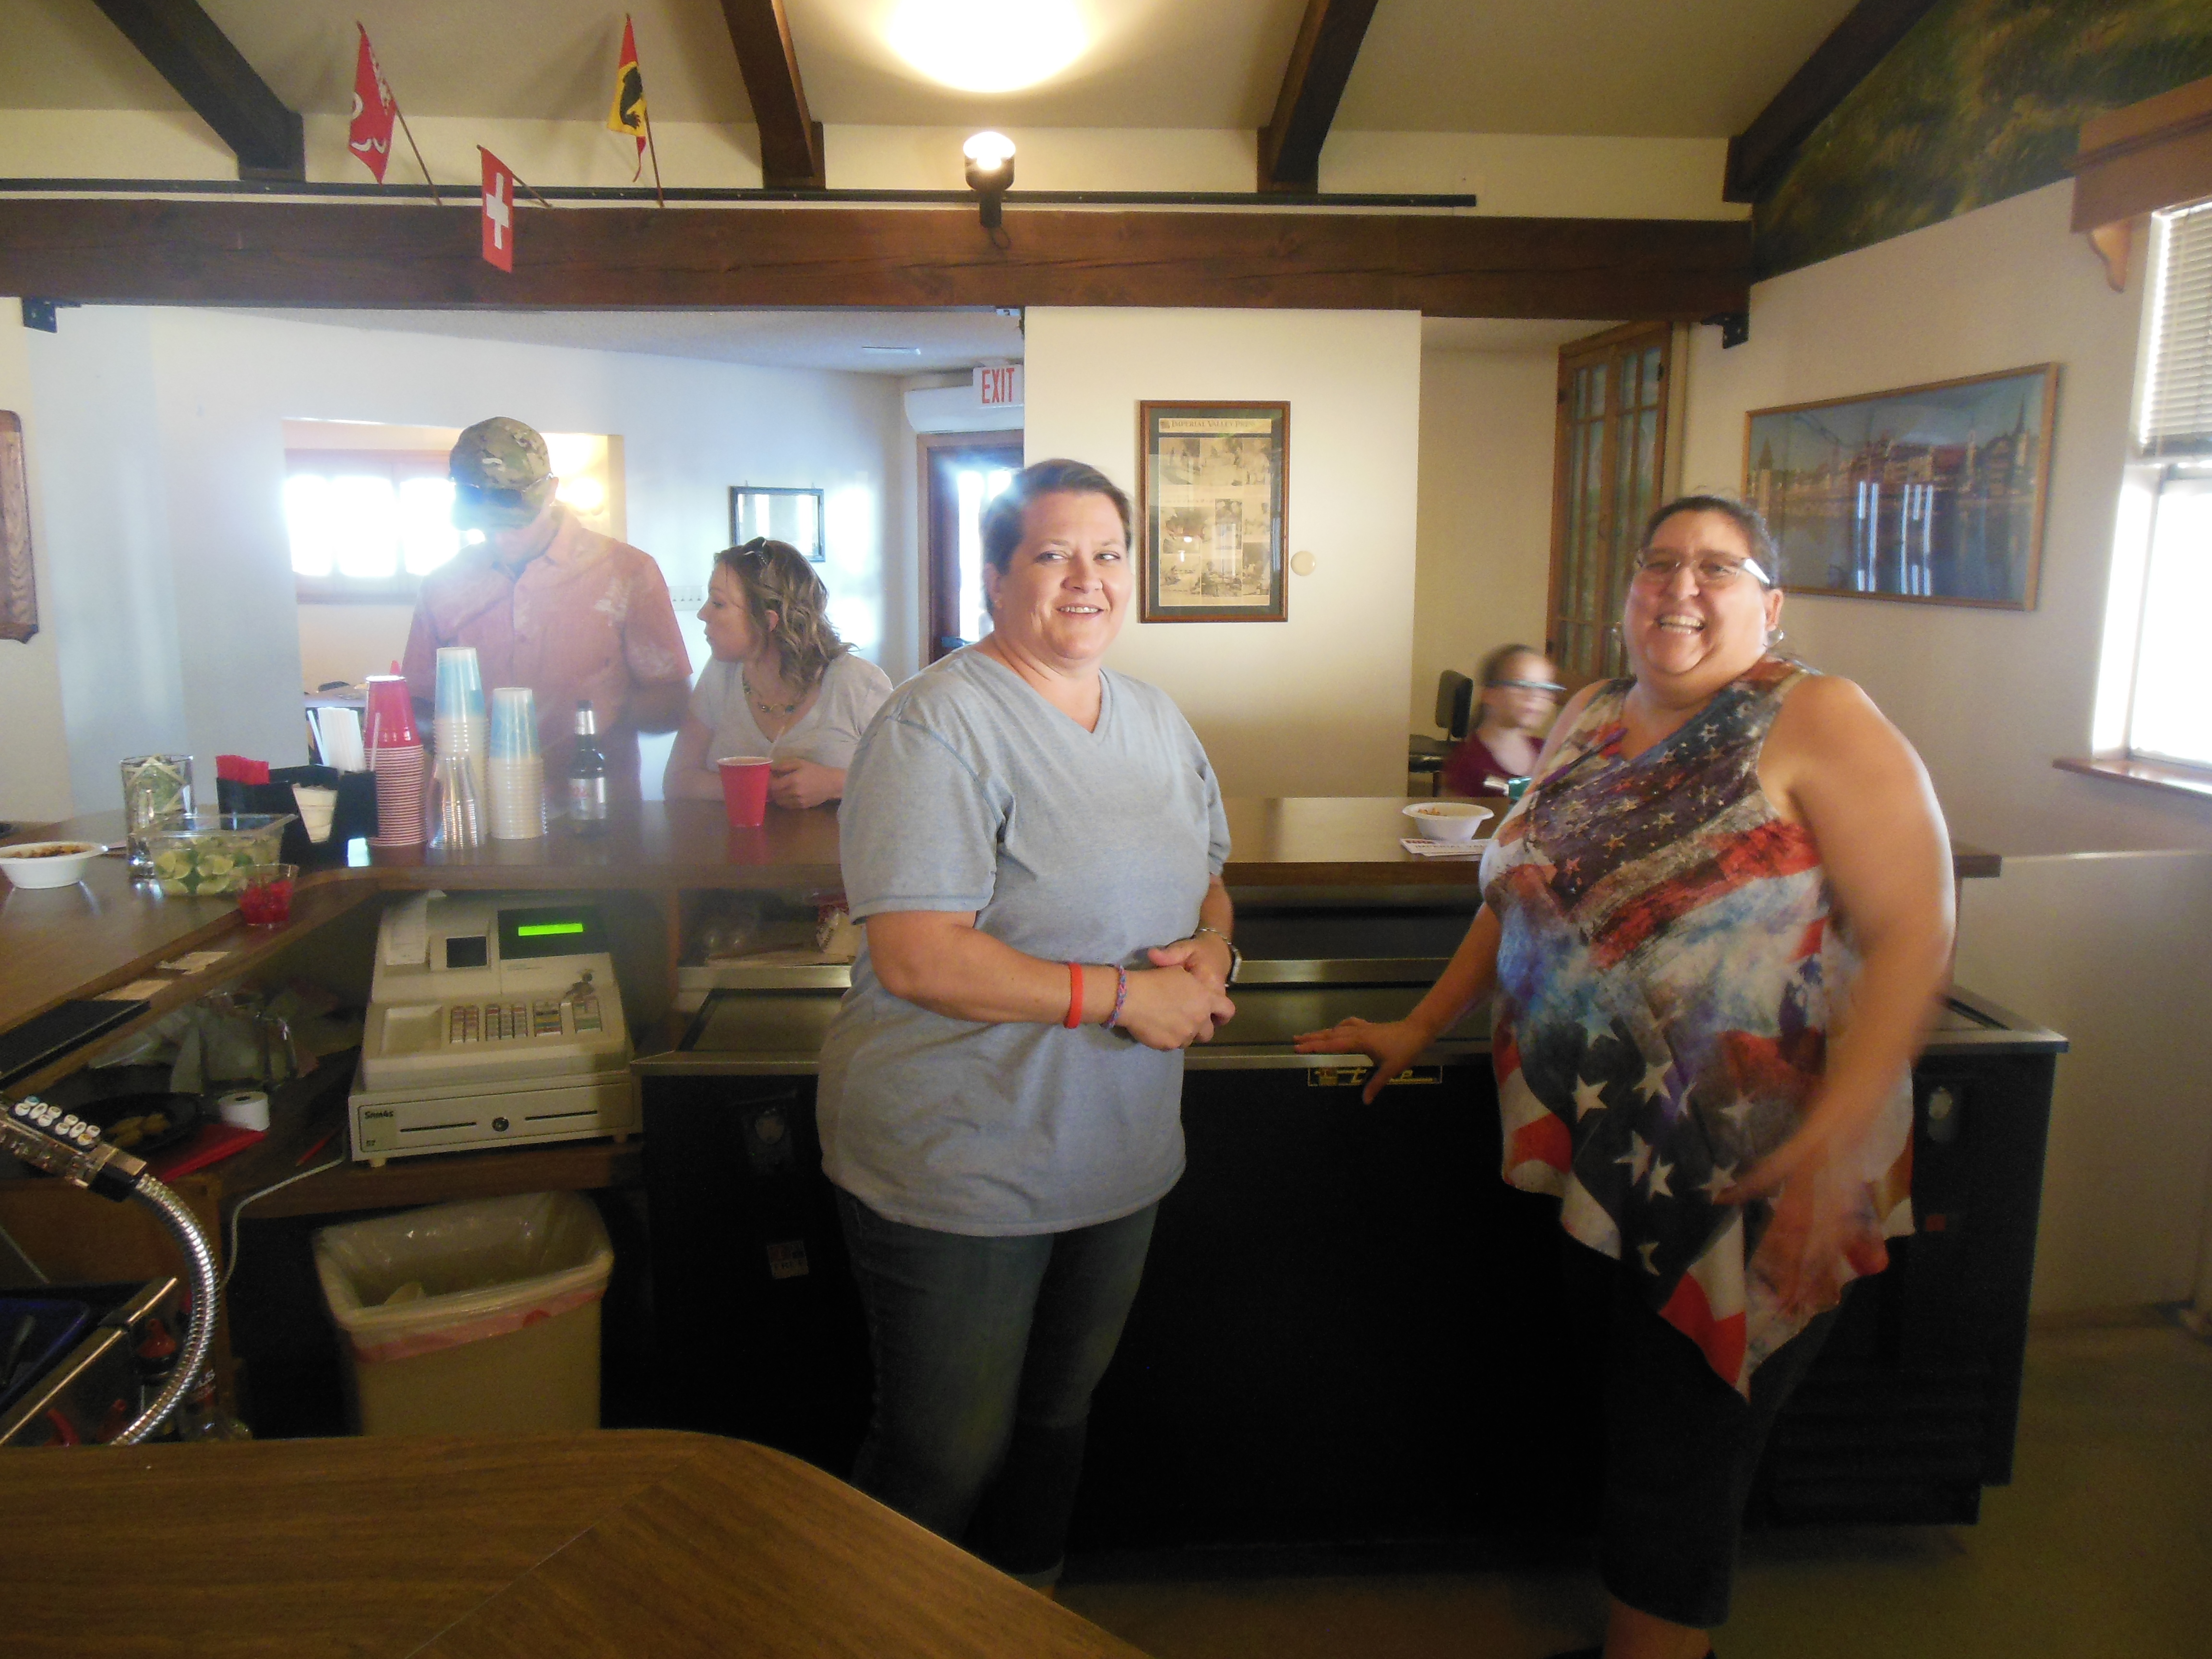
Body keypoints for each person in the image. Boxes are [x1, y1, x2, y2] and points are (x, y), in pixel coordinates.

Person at [1298, 495, 1955, 1659]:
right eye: (1660, 563)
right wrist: (1421, 1023)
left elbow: (1917, 934)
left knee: (1680, 1453)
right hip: (1608, 1155)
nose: (1681, 587)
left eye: (1717, 567)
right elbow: (1517, 892)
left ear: (1770, 601)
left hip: (1750, 1167)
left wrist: (1828, 1149)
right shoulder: (1593, 713)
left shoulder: (1816, 716)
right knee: (1637, 1426)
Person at [817, 457, 1239, 1587]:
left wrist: (1214, 950)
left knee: (1057, 1419)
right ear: (995, 577)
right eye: (1053, 554)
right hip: (963, 1158)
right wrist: (1126, 997)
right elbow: (918, 954)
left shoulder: (1154, 716)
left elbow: (1209, 874)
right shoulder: (935, 724)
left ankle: (1023, 1617)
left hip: (1116, 1149)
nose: (1087, 579)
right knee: (943, 1453)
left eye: (1108, 554)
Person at [400, 416, 690, 800]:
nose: (499, 536)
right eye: (485, 523)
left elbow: (674, 705)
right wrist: (453, 734)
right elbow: (417, 704)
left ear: (551, 490)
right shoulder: (443, 585)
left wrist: (601, 706)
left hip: (596, 806)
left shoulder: (625, 572)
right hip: (478, 807)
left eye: (513, 521)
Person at [662, 538, 892, 809]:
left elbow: (912, 780)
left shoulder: (859, 684)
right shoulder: (719, 675)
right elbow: (677, 781)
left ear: (767, 620)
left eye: (718, 603)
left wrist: (835, 783)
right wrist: (764, 787)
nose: (703, 614)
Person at [1441, 642, 1564, 796]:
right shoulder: (1466, 764)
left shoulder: (1549, 753)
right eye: (1522, 685)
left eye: (1546, 688)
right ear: (1489, 694)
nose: (1536, 697)